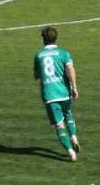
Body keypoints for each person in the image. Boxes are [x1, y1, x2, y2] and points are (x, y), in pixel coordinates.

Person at [33, 26, 80, 162]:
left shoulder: (39, 55)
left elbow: (36, 75)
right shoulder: (64, 53)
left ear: (43, 39)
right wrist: (74, 87)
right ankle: (74, 137)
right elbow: (70, 69)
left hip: (49, 95)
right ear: (56, 37)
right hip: (64, 92)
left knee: (59, 125)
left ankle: (71, 153)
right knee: (68, 114)